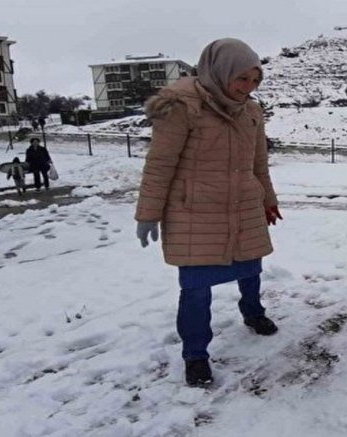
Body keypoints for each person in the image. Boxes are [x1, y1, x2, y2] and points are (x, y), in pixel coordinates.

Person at [135, 38, 282, 388]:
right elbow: (160, 164)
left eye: (255, 80)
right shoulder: (181, 107)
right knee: (196, 287)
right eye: (241, 79)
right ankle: (195, 355)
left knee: (251, 266)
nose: (248, 88)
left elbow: (258, 162)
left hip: (244, 204)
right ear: (220, 73)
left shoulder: (251, 111)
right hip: (195, 211)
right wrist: (147, 213)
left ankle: (254, 312)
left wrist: (268, 199)